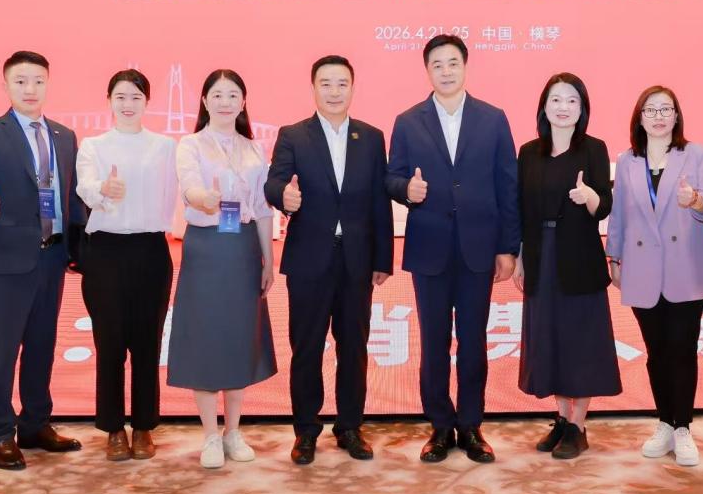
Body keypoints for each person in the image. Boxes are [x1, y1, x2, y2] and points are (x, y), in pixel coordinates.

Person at [386, 34, 520, 464]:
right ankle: (440, 427)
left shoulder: (493, 118)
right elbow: (391, 177)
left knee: (474, 342)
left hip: (479, 248)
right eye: (437, 65)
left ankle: (472, 426)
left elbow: (507, 186)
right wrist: (406, 190)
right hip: (430, 248)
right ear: (427, 70)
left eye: (453, 63)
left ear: (465, 66)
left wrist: (508, 247)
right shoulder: (408, 121)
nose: (445, 71)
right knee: (434, 342)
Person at [265, 55, 394, 465]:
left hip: (357, 261)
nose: (334, 92)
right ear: (313, 88)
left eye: (342, 84)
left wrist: (383, 258)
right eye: (326, 84)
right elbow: (274, 182)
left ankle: (350, 426)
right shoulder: (293, 135)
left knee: (353, 347)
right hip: (309, 259)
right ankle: (306, 430)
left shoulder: (371, 137)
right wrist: (283, 196)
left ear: (352, 88)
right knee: (306, 348)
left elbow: (379, 202)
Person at [0, 50, 86, 471]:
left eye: (37, 81)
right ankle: (0, 433)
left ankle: (35, 424)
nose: (30, 89)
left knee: (41, 346)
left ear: (48, 84)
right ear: (6, 86)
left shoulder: (64, 136)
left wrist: (79, 248)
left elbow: (71, 197)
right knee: (1, 351)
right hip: (7, 260)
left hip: (53, 258)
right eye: (20, 81)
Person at [606, 85, 703, 467]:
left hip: (685, 266)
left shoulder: (696, 154)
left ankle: (683, 426)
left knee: (683, 349)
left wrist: (696, 200)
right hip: (641, 268)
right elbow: (619, 213)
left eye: (666, 109)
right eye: (651, 110)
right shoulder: (627, 161)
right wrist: (614, 255)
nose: (658, 116)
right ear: (639, 118)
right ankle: (664, 423)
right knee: (656, 352)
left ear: (676, 116)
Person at [168, 69, 276, 469]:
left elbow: (262, 208)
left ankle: (233, 431)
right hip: (206, 247)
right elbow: (189, 187)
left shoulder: (254, 148)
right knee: (205, 337)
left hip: (244, 249)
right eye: (217, 94)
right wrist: (204, 198)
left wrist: (269, 260)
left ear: (243, 102)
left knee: (238, 337)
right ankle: (210, 436)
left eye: (233, 94)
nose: (225, 101)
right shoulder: (191, 144)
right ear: (204, 100)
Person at [514, 73, 619, 460]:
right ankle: (561, 418)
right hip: (539, 254)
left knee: (582, 341)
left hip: (579, 255)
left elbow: (604, 206)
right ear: (544, 106)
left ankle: (578, 424)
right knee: (550, 338)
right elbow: (521, 209)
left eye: (572, 100)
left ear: (582, 108)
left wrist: (589, 195)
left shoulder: (594, 148)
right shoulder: (528, 152)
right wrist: (521, 258)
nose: (563, 107)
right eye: (556, 99)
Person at [75, 70, 177, 462]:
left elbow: (176, 192)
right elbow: (85, 186)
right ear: (109, 100)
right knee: (110, 342)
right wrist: (103, 190)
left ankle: (144, 427)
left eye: (136, 97)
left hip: (150, 249)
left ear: (147, 101)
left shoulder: (165, 147)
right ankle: (114, 428)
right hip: (105, 252)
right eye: (120, 96)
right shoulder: (94, 146)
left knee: (148, 343)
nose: (128, 104)